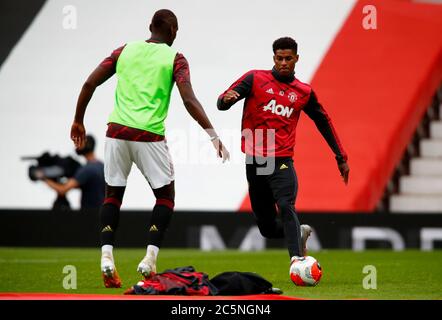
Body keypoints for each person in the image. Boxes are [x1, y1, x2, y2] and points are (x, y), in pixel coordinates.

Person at [70, 9, 229, 288]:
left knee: (112, 196)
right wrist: (213, 135)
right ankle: (149, 259)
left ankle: (107, 257)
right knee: (165, 197)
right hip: (149, 136)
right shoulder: (176, 58)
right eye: (176, 30)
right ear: (172, 32)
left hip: (116, 132)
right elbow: (189, 100)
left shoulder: (124, 51)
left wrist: (78, 120)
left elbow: (89, 83)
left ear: (150, 27)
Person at [217, 37, 349, 271]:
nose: (284, 63)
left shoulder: (303, 92)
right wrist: (226, 100)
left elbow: (323, 122)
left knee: (286, 205)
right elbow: (222, 101)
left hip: (282, 160)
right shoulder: (255, 79)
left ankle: (297, 261)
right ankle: (299, 233)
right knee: (267, 229)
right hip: (256, 161)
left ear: (297, 58)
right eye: (280, 58)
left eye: (289, 58)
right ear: (274, 58)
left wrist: (340, 156)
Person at [42, 135, 105, 210]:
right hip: (102, 214)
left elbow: (62, 190)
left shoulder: (86, 170)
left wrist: (43, 176)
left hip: (89, 216)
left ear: (87, 145)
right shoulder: (102, 167)